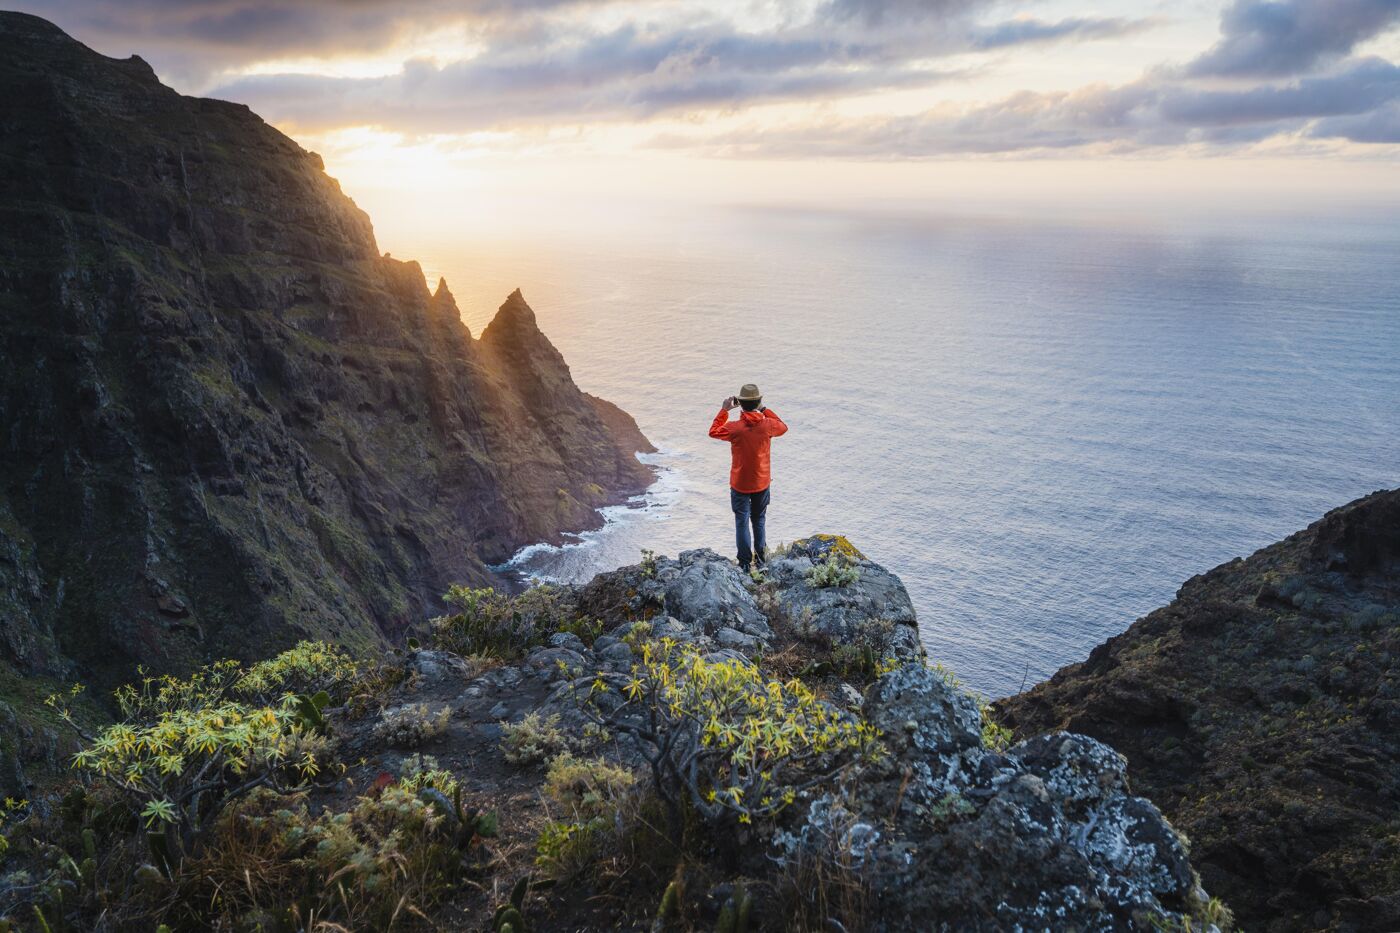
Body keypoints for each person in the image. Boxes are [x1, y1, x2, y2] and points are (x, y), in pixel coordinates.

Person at [708, 383, 788, 571]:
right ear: (758, 401)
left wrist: (724, 410)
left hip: (740, 484)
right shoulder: (768, 426)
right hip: (761, 482)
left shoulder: (735, 428)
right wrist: (764, 409)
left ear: (740, 404)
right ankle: (761, 562)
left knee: (741, 521)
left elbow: (713, 431)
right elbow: (783, 427)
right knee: (759, 520)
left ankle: (744, 564)